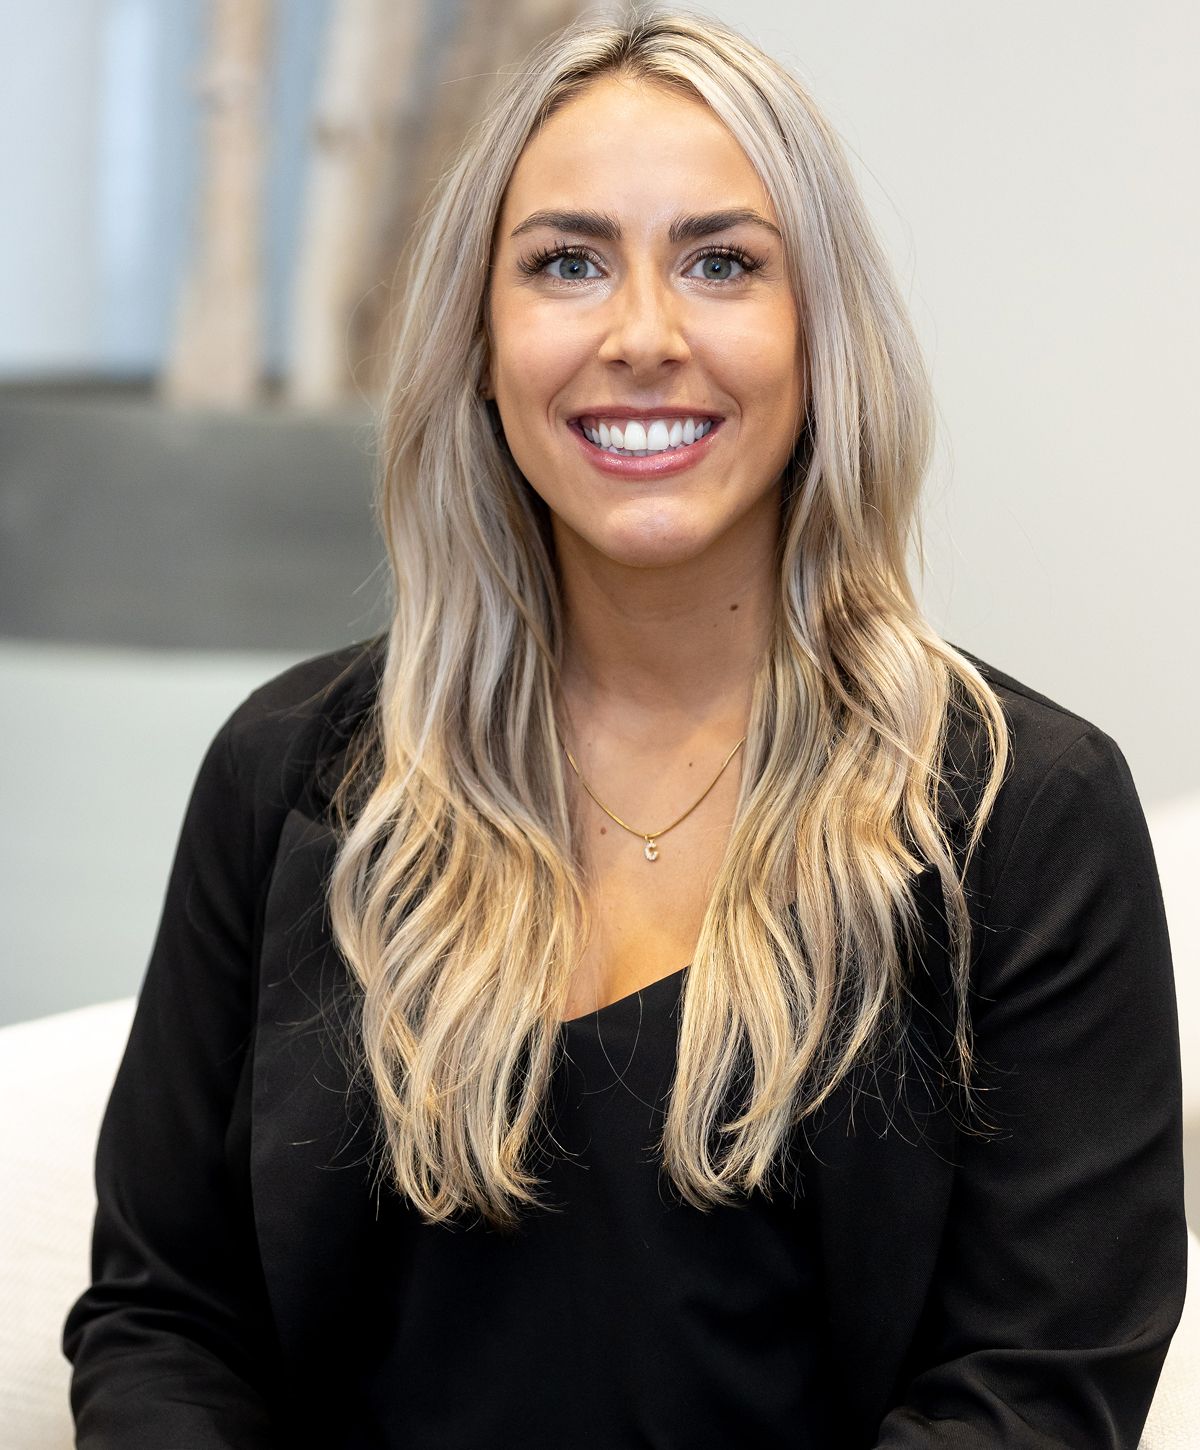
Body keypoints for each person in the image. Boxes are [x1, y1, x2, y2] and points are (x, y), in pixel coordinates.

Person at [63, 8, 1185, 1448]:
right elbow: (166, 1314)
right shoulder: (291, 775)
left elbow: (1033, 1396)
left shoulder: (1024, 817)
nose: (643, 334)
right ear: (479, 340)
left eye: (721, 262)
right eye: (566, 263)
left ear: (819, 334)